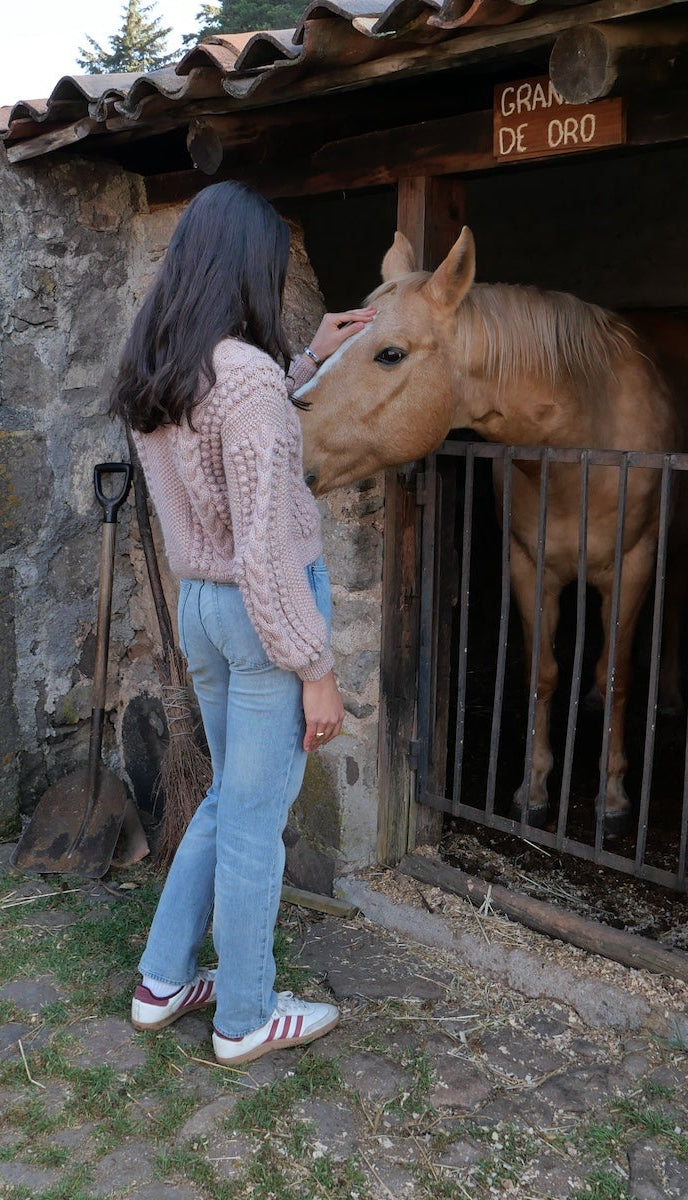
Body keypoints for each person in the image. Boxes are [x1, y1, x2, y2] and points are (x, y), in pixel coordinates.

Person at [110, 180, 374, 1066]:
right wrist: (315, 667)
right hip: (265, 617)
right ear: (247, 269)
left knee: (229, 802)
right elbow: (265, 547)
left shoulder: (163, 364)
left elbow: (227, 456)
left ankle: (160, 982)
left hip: (204, 611)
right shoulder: (246, 378)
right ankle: (246, 1016)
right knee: (256, 818)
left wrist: (307, 357)